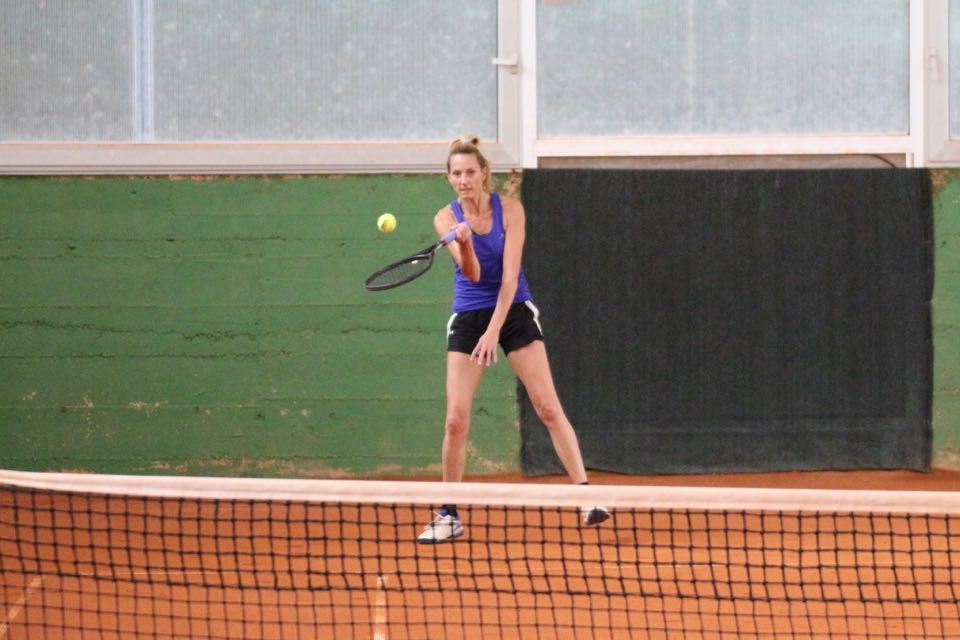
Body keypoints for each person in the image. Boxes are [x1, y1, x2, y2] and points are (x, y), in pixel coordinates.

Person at [417, 136, 609, 544]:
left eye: (470, 172)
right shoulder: (445, 219)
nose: (464, 180)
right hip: (469, 315)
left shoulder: (511, 210)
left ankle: (586, 498)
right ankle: (449, 513)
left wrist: (493, 332)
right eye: (456, 174)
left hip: (514, 309)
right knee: (455, 419)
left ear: (484, 172)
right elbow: (472, 275)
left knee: (548, 407)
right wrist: (465, 244)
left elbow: (508, 279)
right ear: (448, 178)